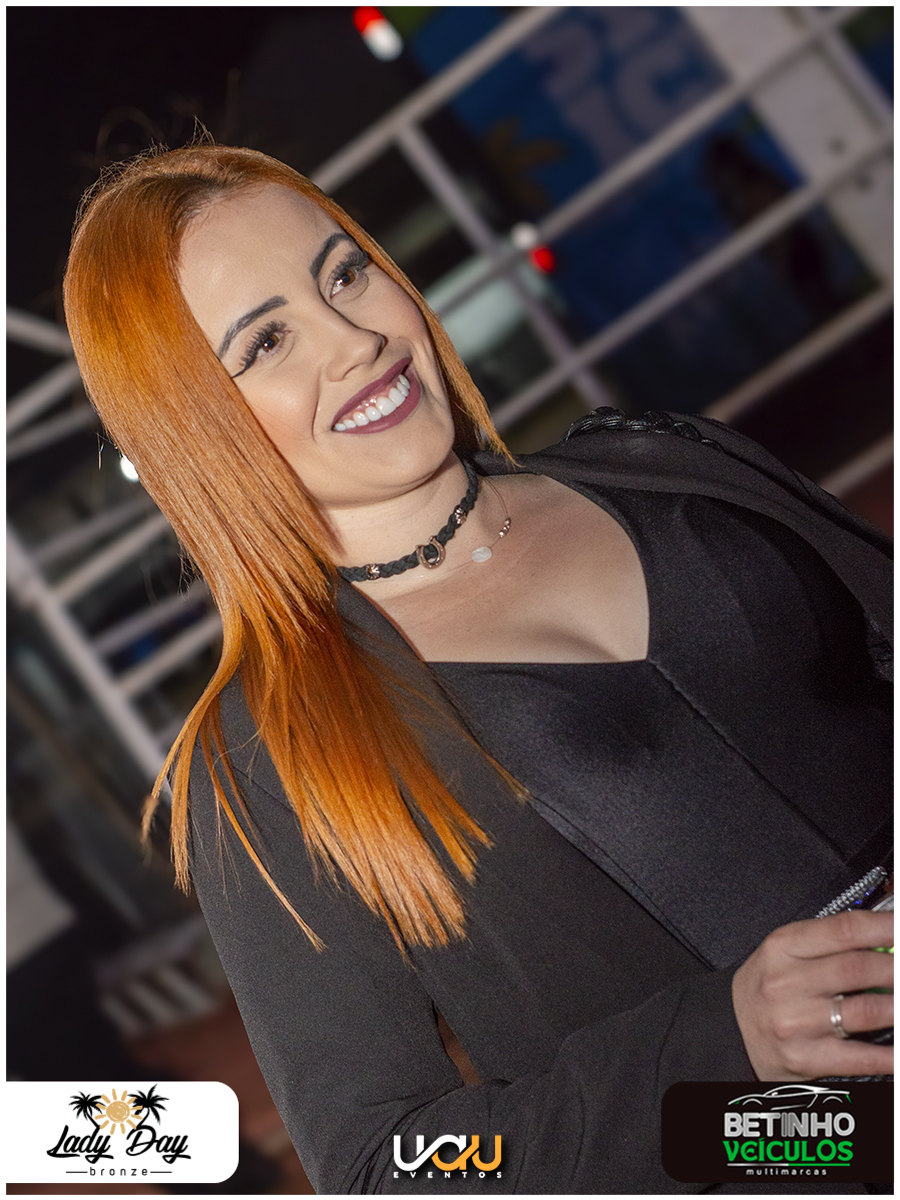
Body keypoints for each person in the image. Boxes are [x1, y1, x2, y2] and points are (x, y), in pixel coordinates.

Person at [63, 142, 892, 1195]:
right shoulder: (268, 760)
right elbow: (384, 1165)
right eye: (266, 341)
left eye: (345, 274)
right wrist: (722, 1046)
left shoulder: (668, 463)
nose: (357, 341)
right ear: (193, 430)